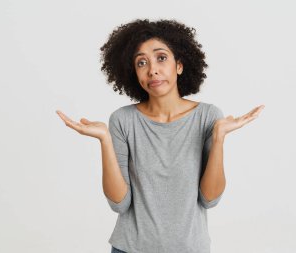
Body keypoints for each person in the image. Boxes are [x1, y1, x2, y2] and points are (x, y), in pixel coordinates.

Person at [56, 18, 264, 253]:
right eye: (141, 62)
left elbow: (209, 199)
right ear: (134, 73)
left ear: (179, 65)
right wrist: (104, 139)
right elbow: (119, 204)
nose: (152, 69)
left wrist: (218, 138)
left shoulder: (208, 117)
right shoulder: (123, 120)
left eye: (161, 58)